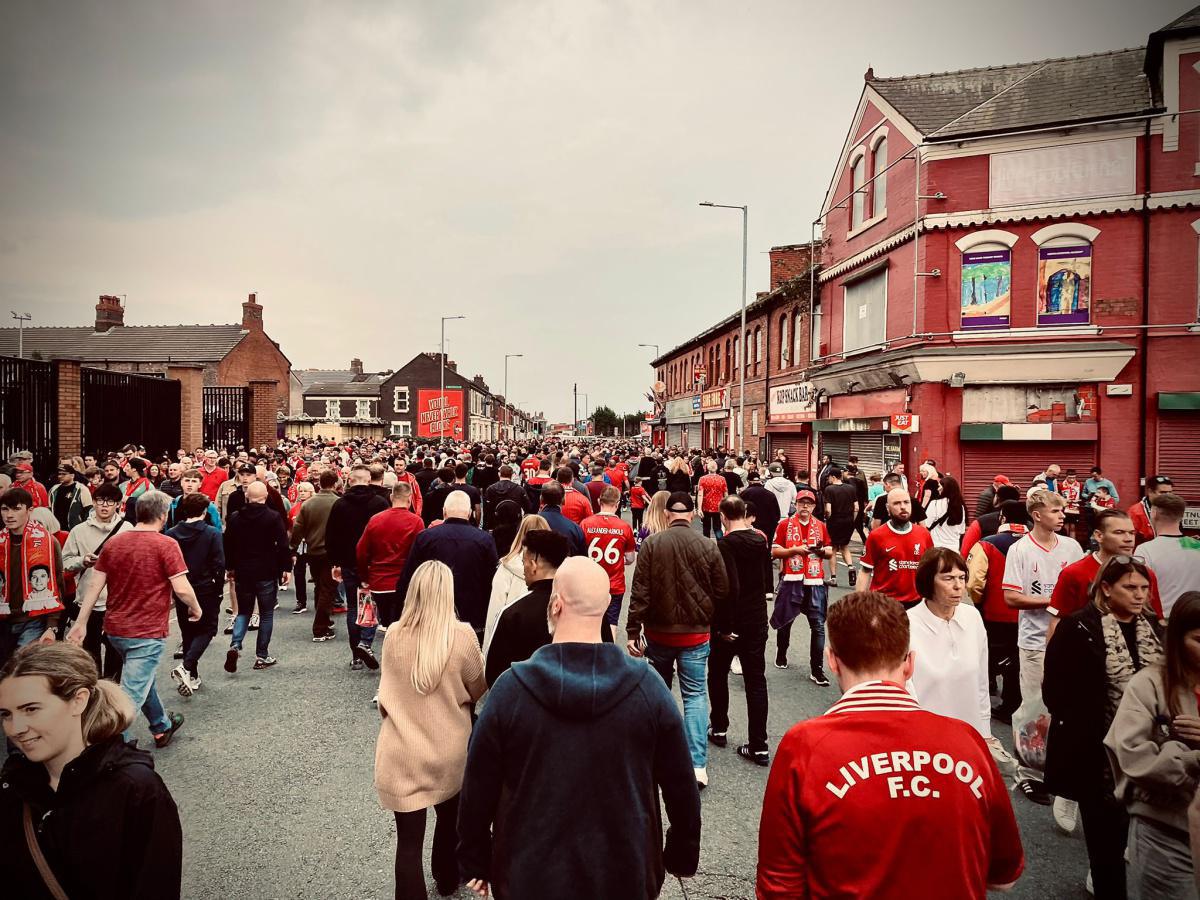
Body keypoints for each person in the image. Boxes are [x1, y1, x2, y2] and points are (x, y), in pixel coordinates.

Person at [458, 557, 702, 900]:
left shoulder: (511, 690)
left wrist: (476, 859)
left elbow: (478, 786)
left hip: (530, 872)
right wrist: (681, 853)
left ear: (555, 605)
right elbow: (681, 785)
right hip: (624, 871)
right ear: (605, 607)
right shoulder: (647, 689)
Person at [756, 591, 1024, 898]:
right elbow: (1004, 876)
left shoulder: (804, 745)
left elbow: (778, 885)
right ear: (909, 663)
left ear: (832, 660)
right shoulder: (967, 741)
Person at [0, 642, 184, 899]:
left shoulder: (136, 789)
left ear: (79, 701)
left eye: (31, 709)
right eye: (6, 714)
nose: (15, 727)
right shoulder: (13, 788)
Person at [1044, 556, 1163, 899]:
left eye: (1144, 587)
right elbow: (1055, 690)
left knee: (1137, 836)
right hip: (1097, 755)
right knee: (1105, 845)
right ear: (1106, 589)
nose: (1139, 595)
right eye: (1130, 587)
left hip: (1148, 749)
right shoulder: (1078, 627)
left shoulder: (1153, 627)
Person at [373, 560, 485, 899]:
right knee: (450, 820)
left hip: (402, 750)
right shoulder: (462, 636)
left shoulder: (394, 634)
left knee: (408, 844)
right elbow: (478, 686)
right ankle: (447, 876)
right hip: (449, 748)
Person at [67, 490, 201, 748]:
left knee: (139, 678)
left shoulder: (115, 543)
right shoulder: (166, 544)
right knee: (130, 695)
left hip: (116, 627)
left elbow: (95, 585)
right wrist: (196, 608)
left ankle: (161, 725)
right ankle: (111, 748)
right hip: (146, 631)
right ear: (163, 516)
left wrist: (81, 622)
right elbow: (182, 588)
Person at [627, 491, 728, 788]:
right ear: (693, 513)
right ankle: (697, 764)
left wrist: (633, 630)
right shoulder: (708, 545)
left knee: (659, 692)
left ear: (669, 514)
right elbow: (722, 590)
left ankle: (655, 756)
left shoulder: (652, 544)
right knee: (695, 695)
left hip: (659, 632)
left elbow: (640, 592)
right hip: (696, 633)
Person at [1106, 591, 1200, 899]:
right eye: (1198, 639)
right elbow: (1133, 757)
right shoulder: (1150, 684)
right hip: (1165, 831)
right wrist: (1187, 758)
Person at [1002, 488, 1084, 804]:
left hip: (1070, 641)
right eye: (1055, 510)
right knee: (1035, 709)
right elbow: (1010, 597)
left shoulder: (1072, 547)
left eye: (1063, 510)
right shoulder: (1021, 550)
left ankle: (1059, 768)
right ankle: (1029, 775)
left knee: (1067, 708)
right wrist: (1051, 601)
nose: (1062, 515)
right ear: (1037, 515)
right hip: (1035, 642)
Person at [907, 548, 1015, 776]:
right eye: (948, 578)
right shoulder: (907, 625)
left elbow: (981, 682)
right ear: (928, 582)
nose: (958, 586)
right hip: (925, 743)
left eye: (962, 578)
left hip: (968, 736)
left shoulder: (972, 617)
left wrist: (985, 731)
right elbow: (906, 693)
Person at [486, 529, 613, 685]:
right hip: (585, 697)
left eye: (523, 561)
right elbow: (607, 657)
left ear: (533, 564)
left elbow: (495, 675)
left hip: (527, 701)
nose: (523, 568)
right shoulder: (588, 606)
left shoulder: (513, 613)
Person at [708, 495, 772, 764]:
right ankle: (759, 744)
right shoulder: (760, 541)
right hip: (756, 617)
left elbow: (729, 587)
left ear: (723, 516)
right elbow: (768, 581)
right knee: (756, 680)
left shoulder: (726, 545)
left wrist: (725, 625)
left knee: (718, 673)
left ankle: (719, 727)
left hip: (733, 620)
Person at [397, 491, 498, 642]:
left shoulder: (425, 537)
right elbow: (492, 579)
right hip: (472, 615)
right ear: (470, 513)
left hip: (432, 613)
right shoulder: (484, 540)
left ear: (444, 511)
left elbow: (409, 578)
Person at [965, 499, 1030, 725]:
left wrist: (979, 603)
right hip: (1028, 614)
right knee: (1019, 660)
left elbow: (974, 582)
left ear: (1002, 517)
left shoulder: (987, 544)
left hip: (995, 613)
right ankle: (1015, 701)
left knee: (989, 656)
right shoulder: (1035, 543)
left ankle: (987, 696)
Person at [60, 482, 132, 680]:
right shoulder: (78, 531)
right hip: (86, 604)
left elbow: (136, 562)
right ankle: (95, 695)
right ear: (93, 502)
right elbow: (64, 562)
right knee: (90, 656)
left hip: (117, 604)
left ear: (117, 504)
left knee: (115, 656)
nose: (104, 505)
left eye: (110, 501)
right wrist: (82, 561)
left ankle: (111, 695)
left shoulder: (127, 529)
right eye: (100, 501)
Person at [222, 482, 290, 674]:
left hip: (243, 570)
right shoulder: (273, 517)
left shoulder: (235, 517)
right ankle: (262, 655)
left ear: (247, 497)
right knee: (266, 613)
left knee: (244, 611)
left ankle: (235, 645)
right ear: (266, 496)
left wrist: (230, 567)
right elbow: (283, 544)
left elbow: (228, 544)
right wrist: (286, 567)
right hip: (266, 570)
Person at [328, 465, 390, 671]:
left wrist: (335, 562)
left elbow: (332, 536)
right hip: (373, 561)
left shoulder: (340, 505)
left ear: (350, 480)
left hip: (348, 560)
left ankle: (356, 653)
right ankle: (366, 643)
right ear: (369, 479)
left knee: (353, 607)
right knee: (369, 602)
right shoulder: (380, 503)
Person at [770, 489, 833, 681]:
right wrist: (794, 551)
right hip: (791, 579)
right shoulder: (784, 525)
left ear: (814, 506)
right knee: (786, 621)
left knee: (818, 625)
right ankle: (781, 653)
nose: (805, 506)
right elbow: (774, 550)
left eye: (809, 503)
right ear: (795, 504)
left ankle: (817, 669)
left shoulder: (821, 526)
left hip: (814, 582)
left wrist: (821, 551)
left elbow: (831, 551)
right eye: (801, 502)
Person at [166, 492, 224, 695]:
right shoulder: (212, 533)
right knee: (208, 628)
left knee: (187, 630)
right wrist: (218, 590)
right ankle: (187, 666)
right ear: (204, 511)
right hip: (205, 586)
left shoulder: (171, 533)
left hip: (180, 586)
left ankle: (192, 676)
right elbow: (219, 563)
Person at [0, 486, 67, 664]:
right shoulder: (1, 542)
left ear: (30, 510)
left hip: (33, 619)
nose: (9, 515)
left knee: (24, 669)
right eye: (5, 509)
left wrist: (52, 626)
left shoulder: (47, 542)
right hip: (3, 619)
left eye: (16, 508)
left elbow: (57, 582)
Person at [482, 514, 549, 655]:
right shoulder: (557, 570)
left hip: (513, 644)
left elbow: (494, 612)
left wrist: (487, 653)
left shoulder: (507, 567)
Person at [858, 488, 934, 607]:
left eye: (906, 502)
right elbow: (865, 571)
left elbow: (931, 571)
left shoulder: (923, 534)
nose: (903, 507)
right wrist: (859, 604)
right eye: (897, 503)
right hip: (884, 604)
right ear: (888, 509)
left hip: (916, 605)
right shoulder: (876, 536)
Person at [579, 485, 637, 639]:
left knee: (588, 620)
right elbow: (630, 558)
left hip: (589, 582)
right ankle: (609, 657)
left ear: (599, 501)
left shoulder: (586, 523)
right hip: (614, 583)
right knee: (611, 622)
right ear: (617, 504)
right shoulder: (624, 527)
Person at [290, 470, 341, 643]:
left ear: (319, 483)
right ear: (335, 484)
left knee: (320, 586)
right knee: (327, 589)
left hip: (313, 551)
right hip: (331, 553)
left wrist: (293, 548)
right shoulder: (338, 503)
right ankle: (320, 628)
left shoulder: (309, 504)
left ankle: (325, 620)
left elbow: (298, 529)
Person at [1140, 493, 1200, 617]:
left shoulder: (1145, 550)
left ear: (1154, 513)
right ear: (1181, 516)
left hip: (1163, 622)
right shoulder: (1197, 546)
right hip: (1195, 620)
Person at [823, 469, 860, 587]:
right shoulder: (851, 488)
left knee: (833, 548)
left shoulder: (829, 489)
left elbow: (828, 509)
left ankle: (833, 578)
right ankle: (851, 566)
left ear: (833, 477)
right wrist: (852, 520)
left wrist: (827, 518)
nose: (828, 479)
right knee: (844, 546)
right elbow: (857, 507)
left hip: (834, 521)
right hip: (848, 521)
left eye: (829, 477)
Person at [535, 481, 585, 557]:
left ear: (541, 499)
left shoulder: (529, 522)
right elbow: (581, 557)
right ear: (563, 499)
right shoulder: (574, 528)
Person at [923, 474, 967, 551]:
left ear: (946, 488)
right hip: (954, 548)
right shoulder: (960, 506)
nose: (938, 489)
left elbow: (926, 524)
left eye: (939, 486)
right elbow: (961, 530)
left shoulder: (934, 504)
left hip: (936, 547)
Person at [1131, 475, 1175, 544]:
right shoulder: (1136, 512)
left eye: (1170, 492)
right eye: (1163, 492)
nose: (1168, 496)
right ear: (1150, 492)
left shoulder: (1173, 509)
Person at [49, 463, 93, 531]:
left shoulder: (81, 489)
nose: (60, 476)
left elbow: (88, 511)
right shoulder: (53, 490)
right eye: (59, 474)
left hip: (75, 530)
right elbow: (49, 509)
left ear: (72, 475)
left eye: (64, 474)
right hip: (57, 530)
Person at [482, 465, 526, 529]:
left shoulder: (490, 489)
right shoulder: (519, 489)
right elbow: (528, 507)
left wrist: (486, 527)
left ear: (499, 474)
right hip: (515, 524)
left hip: (496, 524)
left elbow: (486, 510)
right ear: (512, 475)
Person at [696, 460, 728, 539]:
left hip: (706, 506)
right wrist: (726, 506)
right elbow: (725, 493)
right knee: (717, 528)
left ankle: (707, 544)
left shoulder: (702, 479)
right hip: (718, 506)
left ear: (707, 468)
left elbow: (700, 494)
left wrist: (699, 508)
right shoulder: (722, 479)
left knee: (706, 528)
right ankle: (721, 544)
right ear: (716, 468)